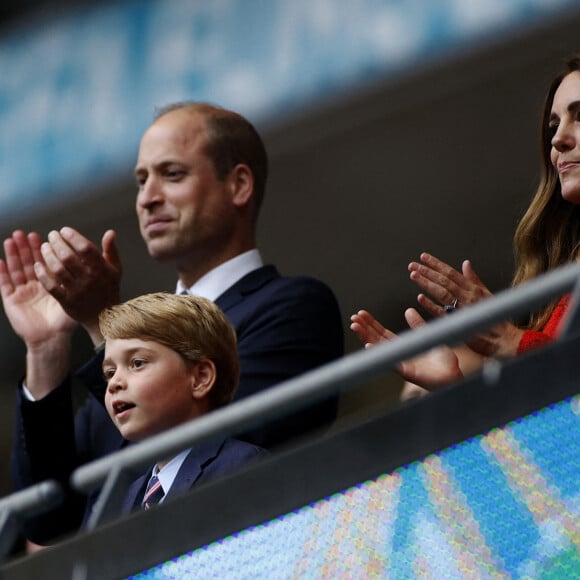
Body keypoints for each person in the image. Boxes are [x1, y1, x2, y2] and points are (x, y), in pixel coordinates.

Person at [4, 102, 343, 544]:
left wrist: (106, 326)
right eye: (142, 180)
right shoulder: (121, 366)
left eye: (172, 174)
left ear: (239, 184)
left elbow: (214, 450)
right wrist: (46, 349)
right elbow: (49, 520)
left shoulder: (294, 306)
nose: (147, 197)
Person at [351, 54, 580, 392]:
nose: (557, 139)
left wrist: (510, 341)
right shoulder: (560, 281)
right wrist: (455, 391)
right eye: (553, 126)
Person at [84, 292, 266, 522]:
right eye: (109, 373)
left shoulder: (242, 468)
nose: (114, 384)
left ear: (200, 378)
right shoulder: (122, 499)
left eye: (137, 363)